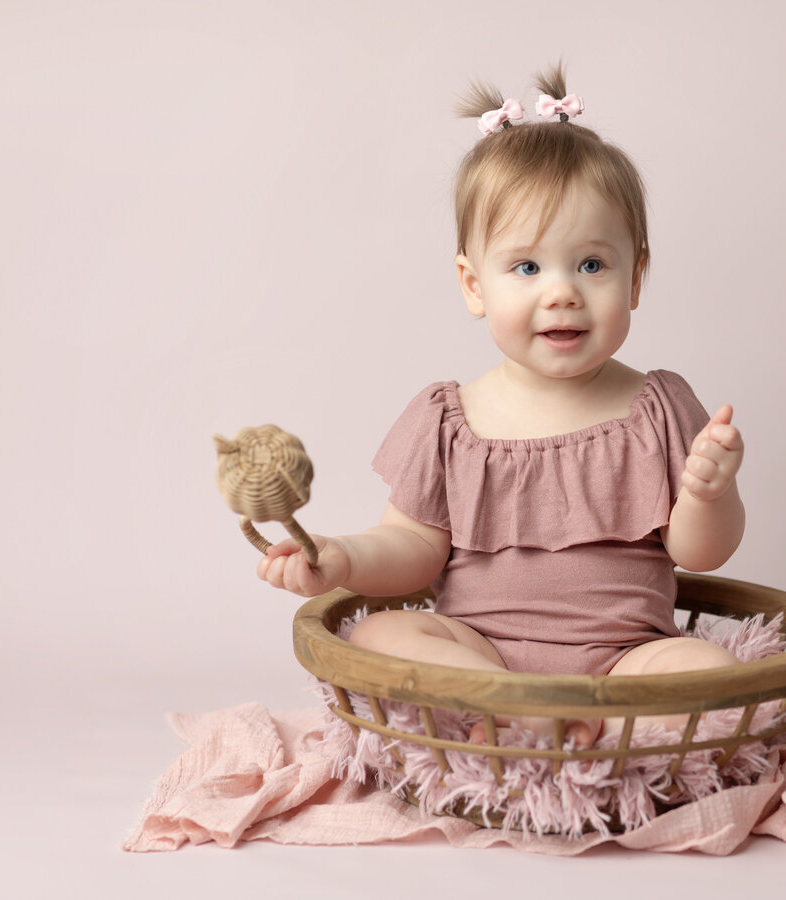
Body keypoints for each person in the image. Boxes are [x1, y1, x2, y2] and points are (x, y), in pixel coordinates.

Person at [258, 65, 746, 747]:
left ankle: (574, 724)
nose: (562, 293)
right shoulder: (449, 420)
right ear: (473, 284)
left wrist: (707, 493)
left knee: (707, 671)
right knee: (382, 632)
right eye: (526, 268)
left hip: (626, 659)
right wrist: (341, 559)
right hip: (479, 656)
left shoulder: (657, 406)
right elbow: (413, 551)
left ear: (635, 276)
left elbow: (700, 553)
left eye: (592, 265)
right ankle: (525, 718)